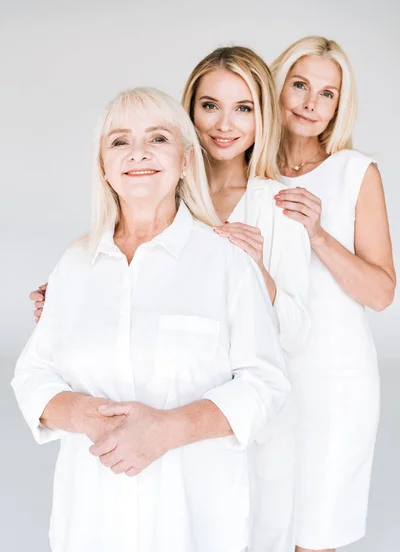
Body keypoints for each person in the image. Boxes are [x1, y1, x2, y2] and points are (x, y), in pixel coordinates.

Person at [31, 47, 312, 552]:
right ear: (103, 164)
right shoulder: (73, 265)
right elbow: (33, 375)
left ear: (185, 160)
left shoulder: (227, 262)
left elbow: (267, 382)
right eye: (121, 141)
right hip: (91, 520)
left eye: (158, 139)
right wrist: (84, 416)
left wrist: (167, 430)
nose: (138, 153)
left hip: (197, 520)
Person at [182, 46, 311, 552]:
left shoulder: (277, 206)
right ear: (189, 109)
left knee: (259, 535)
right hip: (184, 407)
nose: (224, 125)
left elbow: (298, 331)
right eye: (210, 105)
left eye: (244, 108)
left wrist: (259, 269)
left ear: (264, 116)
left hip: (262, 419)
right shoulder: (170, 197)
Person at [270, 35, 396, 552]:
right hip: (256, 375)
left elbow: (382, 292)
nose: (309, 103)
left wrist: (319, 235)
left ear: (340, 105)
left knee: (315, 534)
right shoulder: (245, 169)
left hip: (334, 382)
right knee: (255, 524)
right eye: (299, 85)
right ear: (276, 87)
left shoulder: (355, 173)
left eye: (327, 93)